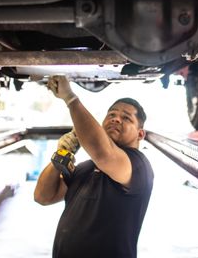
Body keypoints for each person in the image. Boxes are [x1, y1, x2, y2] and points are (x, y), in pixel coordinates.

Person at [34, 75, 154, 258]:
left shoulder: (138, 165)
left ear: (140, 134)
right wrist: (61, 156)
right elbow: (43, 196)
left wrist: (71, 99)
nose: (116, 119)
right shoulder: (85, 168)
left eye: (126, 118)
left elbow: (103, 153)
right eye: (111, 114)